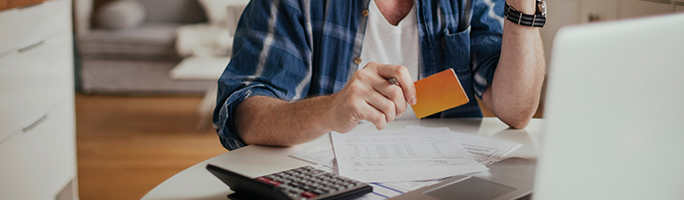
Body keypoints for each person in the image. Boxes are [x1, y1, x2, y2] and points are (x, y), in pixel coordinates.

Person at [213, 0, 546, 150]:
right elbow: (242, 112)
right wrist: (329, 110)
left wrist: (523, 5)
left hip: (449, 182)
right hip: (328, 183)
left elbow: (516, 110)